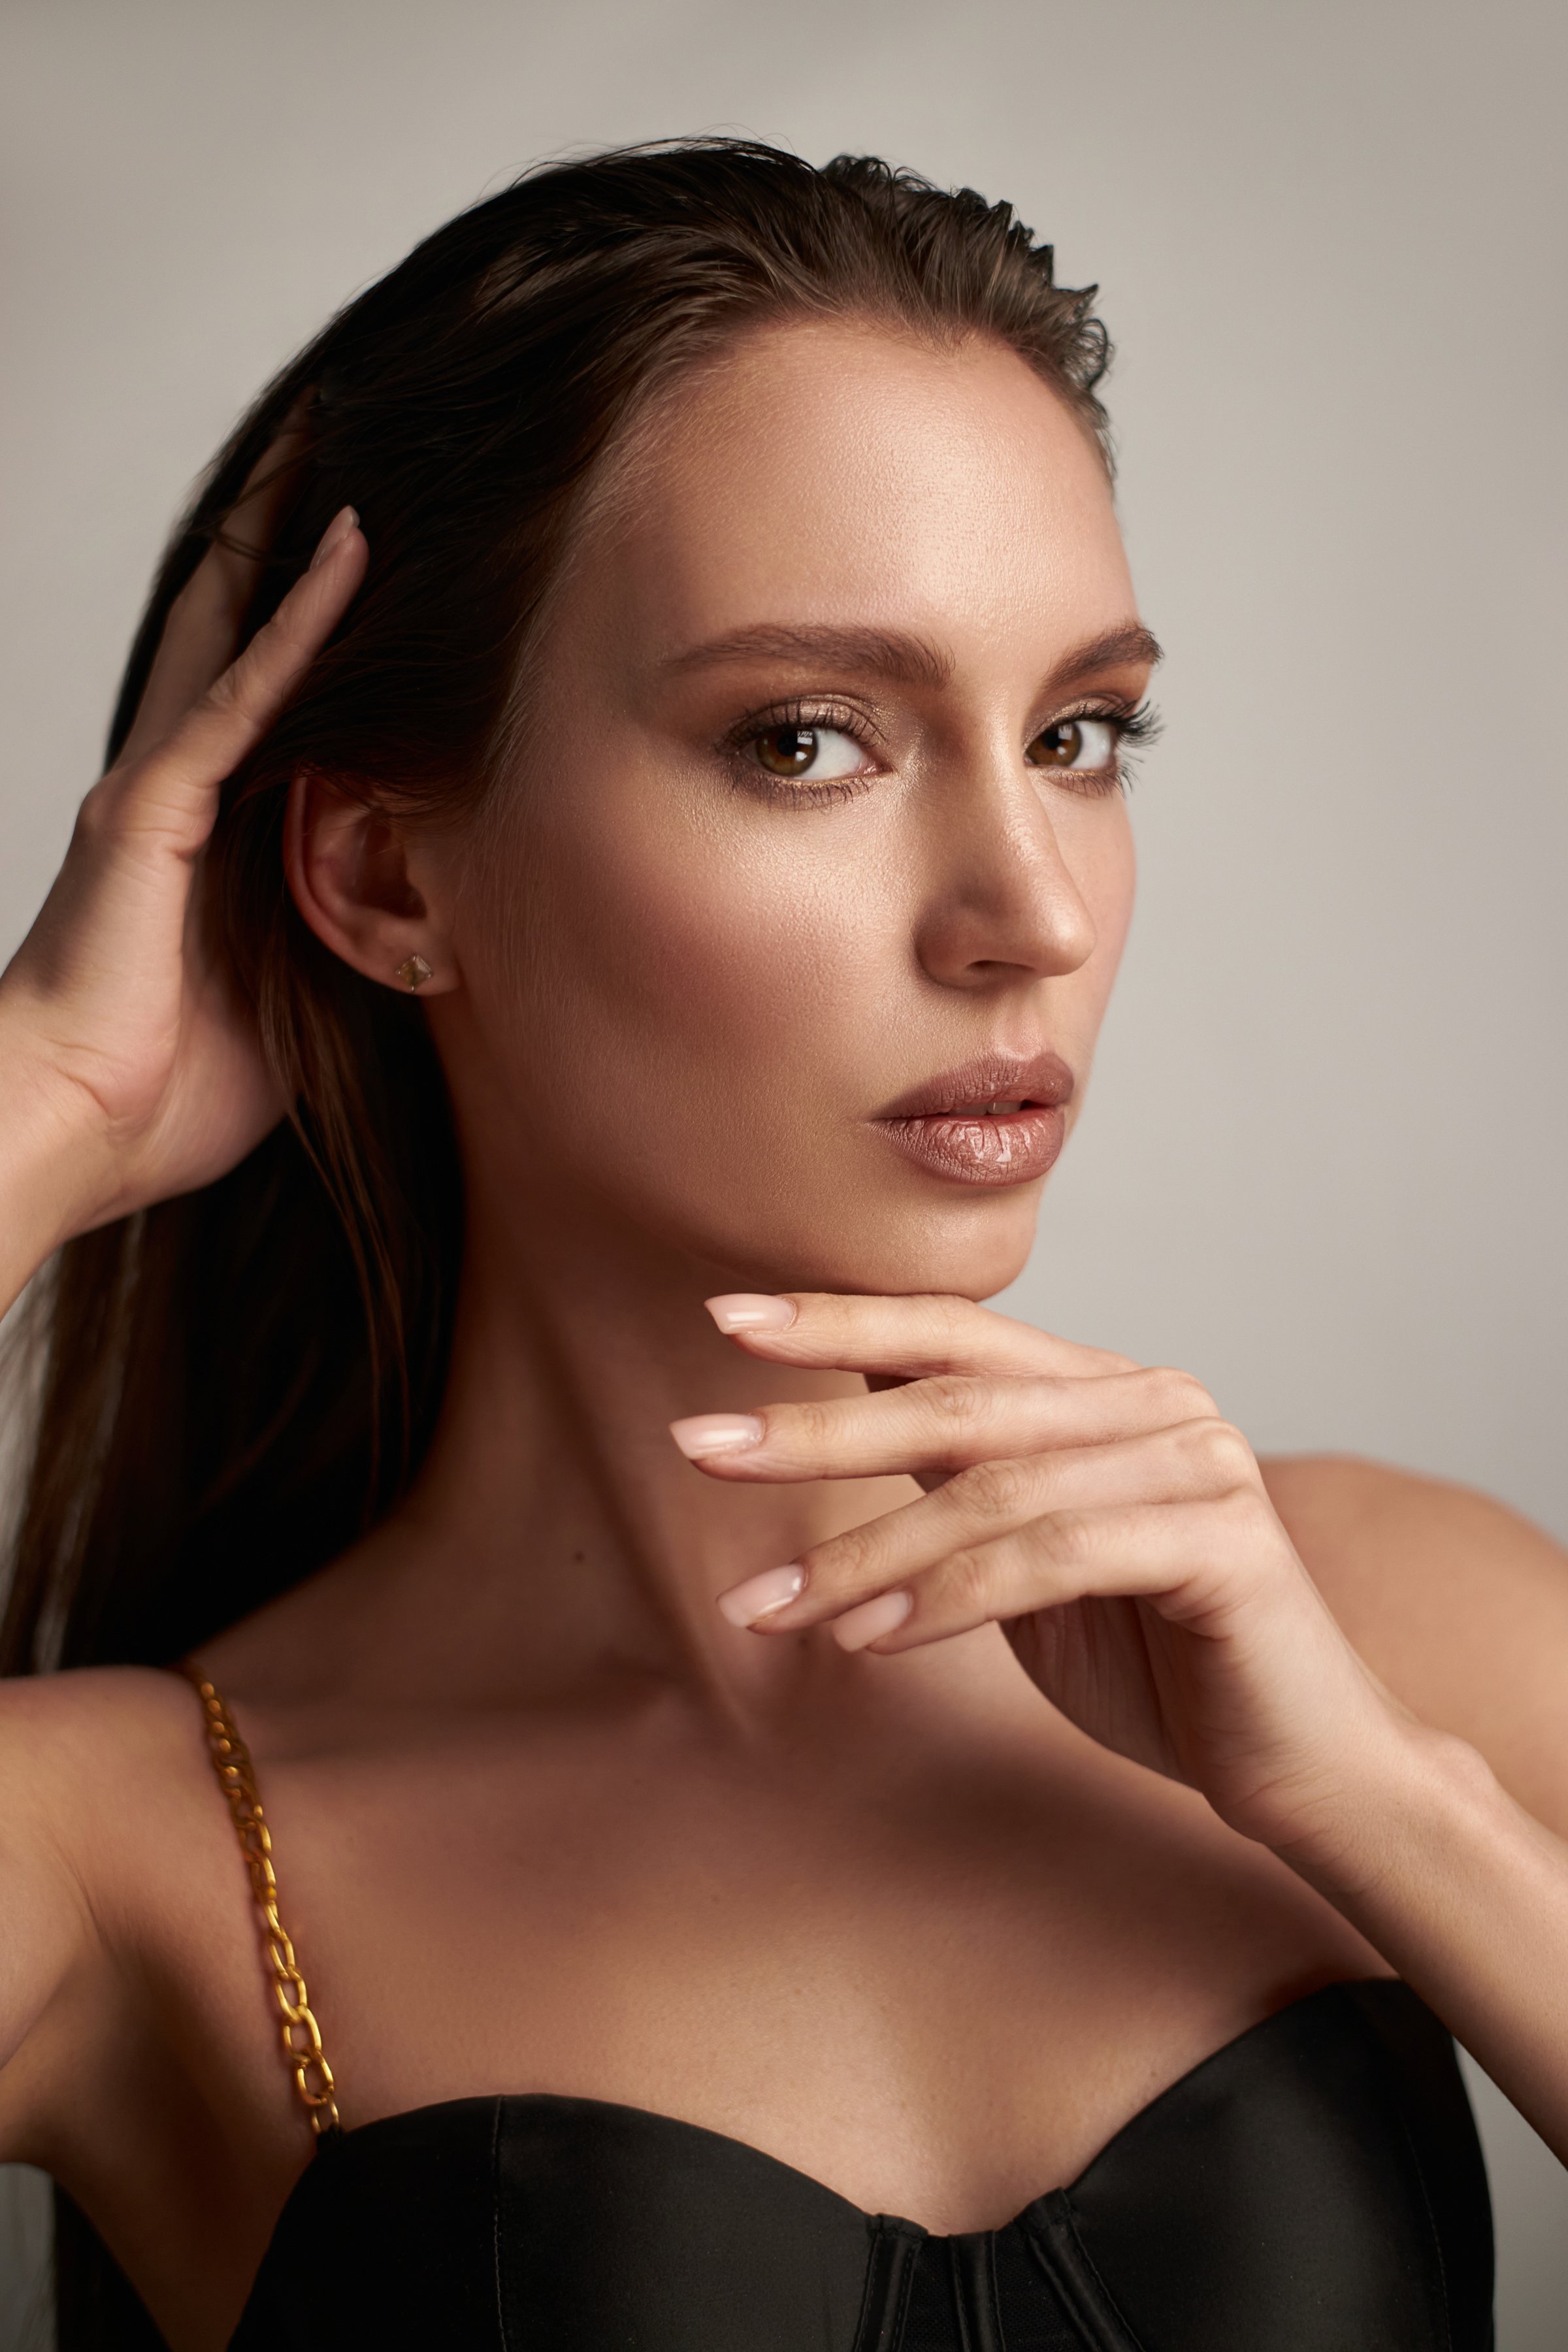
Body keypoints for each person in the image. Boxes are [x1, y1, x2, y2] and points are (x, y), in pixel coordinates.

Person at [0, 139, 1563, 2352]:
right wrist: (40, 1120)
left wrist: (1397, 1811)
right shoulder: (120, 1853)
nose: (1028, 914)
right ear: (384, 881)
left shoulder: (1401, 1634)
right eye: (808, 739)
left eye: (1079, 735)